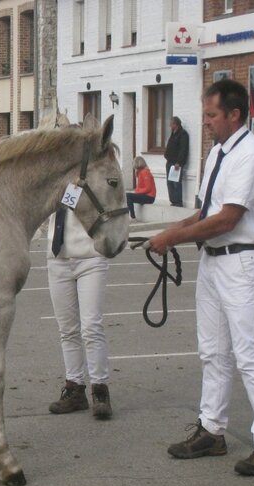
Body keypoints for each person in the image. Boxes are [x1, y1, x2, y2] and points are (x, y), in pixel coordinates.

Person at [148, 78, 254, 476]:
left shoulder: (250, 156)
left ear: (234, 114)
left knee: (248, 354)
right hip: (212, 261)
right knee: (212, 351)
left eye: (211, 115)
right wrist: (167, 234)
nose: (206, 121)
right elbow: (205, 213)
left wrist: (173, 236)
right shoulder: (216, 155)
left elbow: (228, 219)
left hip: (242, 262)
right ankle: (212, 429)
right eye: (205, 114)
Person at [44, 195, 114, 420]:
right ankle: (74, 388)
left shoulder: (93, 169)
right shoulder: (53, 170)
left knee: (91, 326)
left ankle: (100, 389)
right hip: (58, 256)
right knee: (67, 329)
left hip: (90, 254)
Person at [164, 116, 190, 207]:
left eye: (171, 124)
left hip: (176, 163)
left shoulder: (182, 134)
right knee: (169, 182)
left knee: (176, 182)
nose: (170, 126)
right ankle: (173, 201)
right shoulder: (173, 133)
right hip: (170, 161)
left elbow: (183, 149)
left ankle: (178, 202)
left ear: (176, 124)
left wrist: (178, 162)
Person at [126, 156, 156, 222]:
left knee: (128, 196)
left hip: (149, 197)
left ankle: (133, 217)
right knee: (127, 196)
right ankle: (131, 216)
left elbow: (148, 188)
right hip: (146, 196)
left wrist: (137, 192)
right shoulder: (141, 173)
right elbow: (140, 186)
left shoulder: (145, 172)